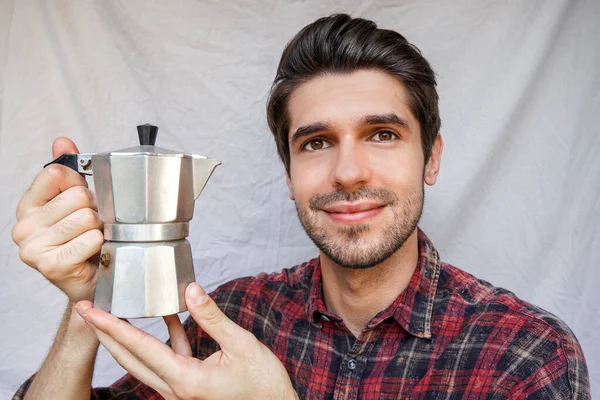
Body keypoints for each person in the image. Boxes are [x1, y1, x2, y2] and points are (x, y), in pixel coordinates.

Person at [11, 13, 590, 400]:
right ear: (288, 175)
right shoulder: (233, 318)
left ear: (431, 159)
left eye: (383, 134)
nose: (348, 171)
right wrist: (89, 295)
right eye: (315, 143)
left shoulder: (524, 355)